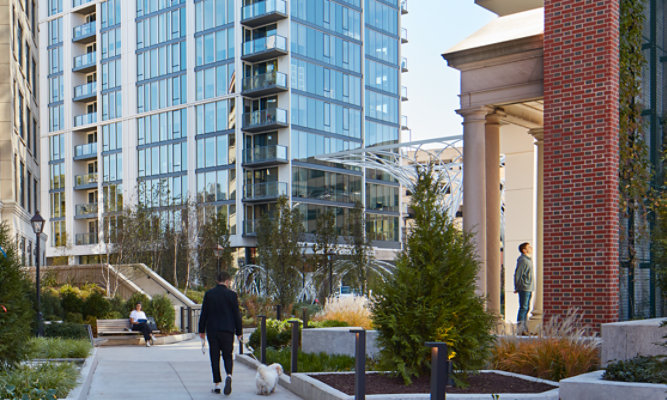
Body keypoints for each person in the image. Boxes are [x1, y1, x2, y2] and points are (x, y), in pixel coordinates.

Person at [199, 271, 243, 395]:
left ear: (217, 281)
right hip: (228, 330)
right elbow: (236, 315)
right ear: (227, 281)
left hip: (213, 330)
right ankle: (229, 375)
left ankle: (217, 384)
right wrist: (239, 332)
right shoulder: (232, 295)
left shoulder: (209, 294)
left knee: (214, 356)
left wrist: (201, 330)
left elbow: (204, 313)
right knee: (228, 355)